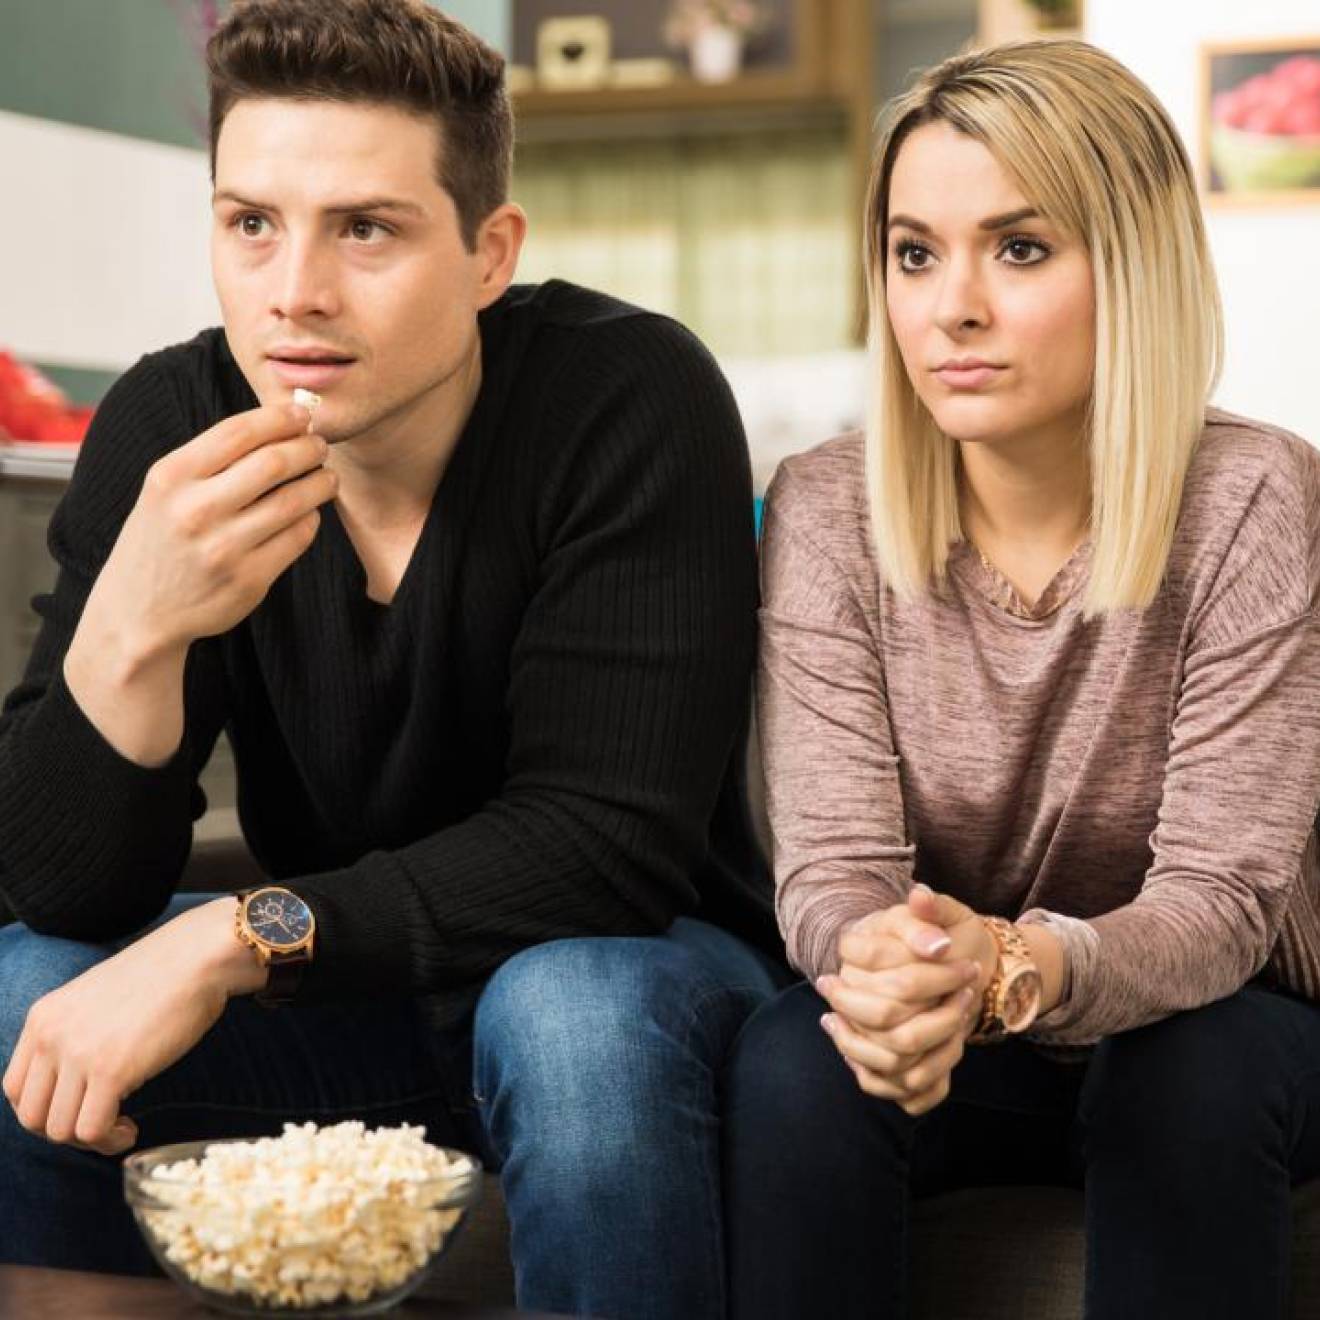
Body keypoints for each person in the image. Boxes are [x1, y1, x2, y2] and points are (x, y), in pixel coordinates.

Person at [0, 2, 784, 1316]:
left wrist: (230, 942)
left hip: (636, 978)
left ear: (489, 253)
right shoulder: (170, 424)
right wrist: (132, 632)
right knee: (24, 984)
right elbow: (58, 888)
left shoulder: (626, 397)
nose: (293, 290)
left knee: (570, 1011)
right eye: (251, 222)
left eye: (365, 228)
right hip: (352, 997)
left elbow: (604, 846)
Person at [723, 37, 1320, 1320]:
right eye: (915, 252)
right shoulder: (827, 507)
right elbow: (831, 870)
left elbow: (1225, 900)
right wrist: (890, 969)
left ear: (1136, 269)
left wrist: (1018, 965)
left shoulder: (1254, 495)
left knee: (1189, 1072)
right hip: (963, 1035)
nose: (953, 308)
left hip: (1219, 1021)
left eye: (1022, 248)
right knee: (795, 1058)